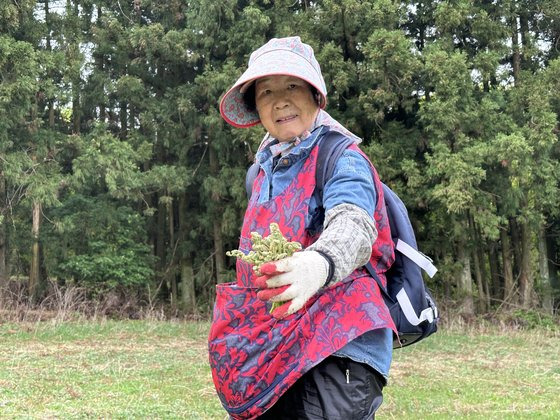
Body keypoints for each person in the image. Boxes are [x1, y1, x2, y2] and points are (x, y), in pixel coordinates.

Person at [208, 36, 396, 420]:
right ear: (256, 108)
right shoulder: (260, 172)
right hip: (274, 349)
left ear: (315, 94)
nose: (280, 101)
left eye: (291, 86)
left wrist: (317, 265)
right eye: (266, 92)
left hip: (336, 348)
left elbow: (355, 225)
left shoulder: (342, 158)